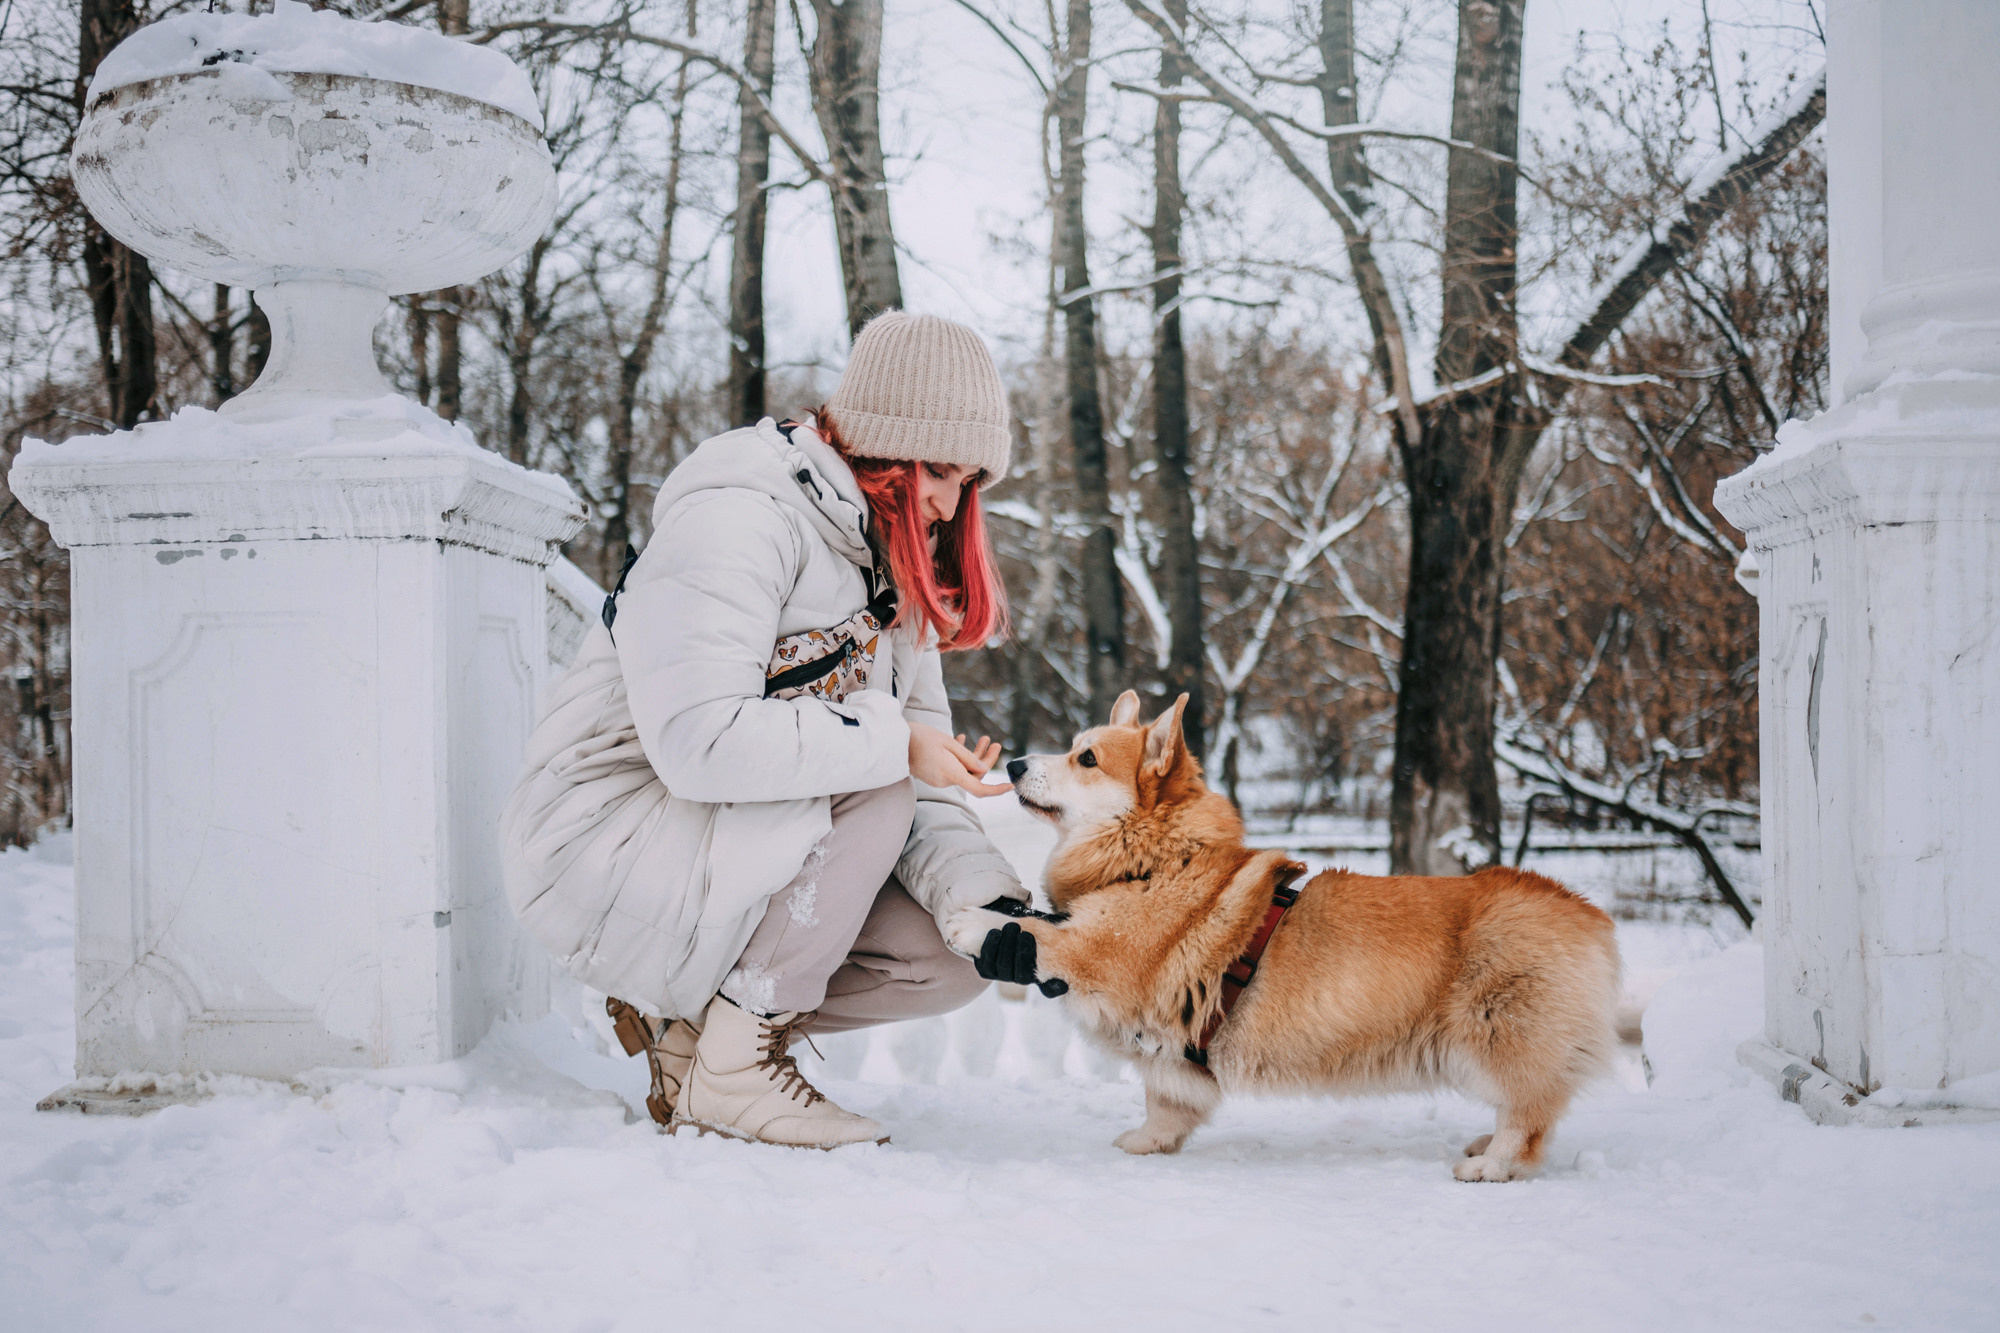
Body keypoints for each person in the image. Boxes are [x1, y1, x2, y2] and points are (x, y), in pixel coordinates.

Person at [501, 310, 1027, 1149]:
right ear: (877, 443)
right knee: (877, 763)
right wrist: (895, 745)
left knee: (945, 954)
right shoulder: (744, 514)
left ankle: (700, 1046)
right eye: (936, 469)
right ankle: (738, 1069)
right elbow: (699, 743)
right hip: (606, 836)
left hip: (725, 842)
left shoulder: (893, 571)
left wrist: (989, 908)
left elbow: (913, 780)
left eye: (968, 479)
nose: (948, 500)